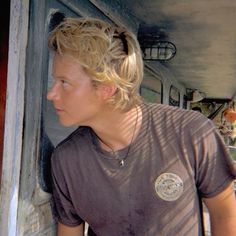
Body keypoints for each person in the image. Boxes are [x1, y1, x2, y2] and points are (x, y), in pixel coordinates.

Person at [47, 17, 236, 236]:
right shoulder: (66, 160)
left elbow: (225, 213)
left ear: (107, 89)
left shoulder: (191, 132)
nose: (51, 94)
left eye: (64, 83)